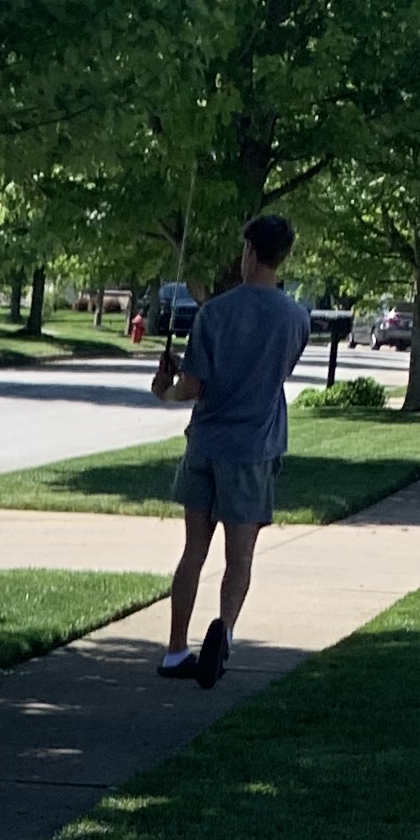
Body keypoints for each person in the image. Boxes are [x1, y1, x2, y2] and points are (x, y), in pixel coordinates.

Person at [160, 211, 311, 689]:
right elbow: (276, 374)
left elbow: (191, 388)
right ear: (282, 257)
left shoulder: (214, 313)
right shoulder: (296, 318)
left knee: (193, 551)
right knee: (239, 556)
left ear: (249, 251)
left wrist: (165, 385)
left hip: (205, 442)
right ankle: (222, 635)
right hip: (254, 448)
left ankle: (176, 648)